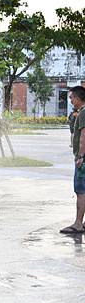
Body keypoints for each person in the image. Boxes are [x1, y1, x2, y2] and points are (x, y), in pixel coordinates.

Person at [60, 86, 85, 234]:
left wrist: (81, 156)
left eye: (71, 98)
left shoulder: (83, 113)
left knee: (81, 190)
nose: (70, 101)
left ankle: (78, 223)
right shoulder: (79, 113)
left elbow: (83, 136)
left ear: (78, 98)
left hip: (83, 159)